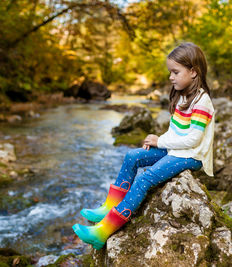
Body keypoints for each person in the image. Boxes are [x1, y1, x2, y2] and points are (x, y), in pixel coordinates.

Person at [72, 42, 215, 250]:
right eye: (170, 72)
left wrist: (161, 142)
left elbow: (193, 139)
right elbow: (176, 131)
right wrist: (158, 138)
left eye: (175, 72)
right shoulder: (183, 95)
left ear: (193, 72)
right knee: (132, 156)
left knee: (145, 178)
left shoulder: (202, 101)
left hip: (191, 156)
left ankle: (103, 231)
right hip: (176, 149)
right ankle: (109, 206)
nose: (170, 77)